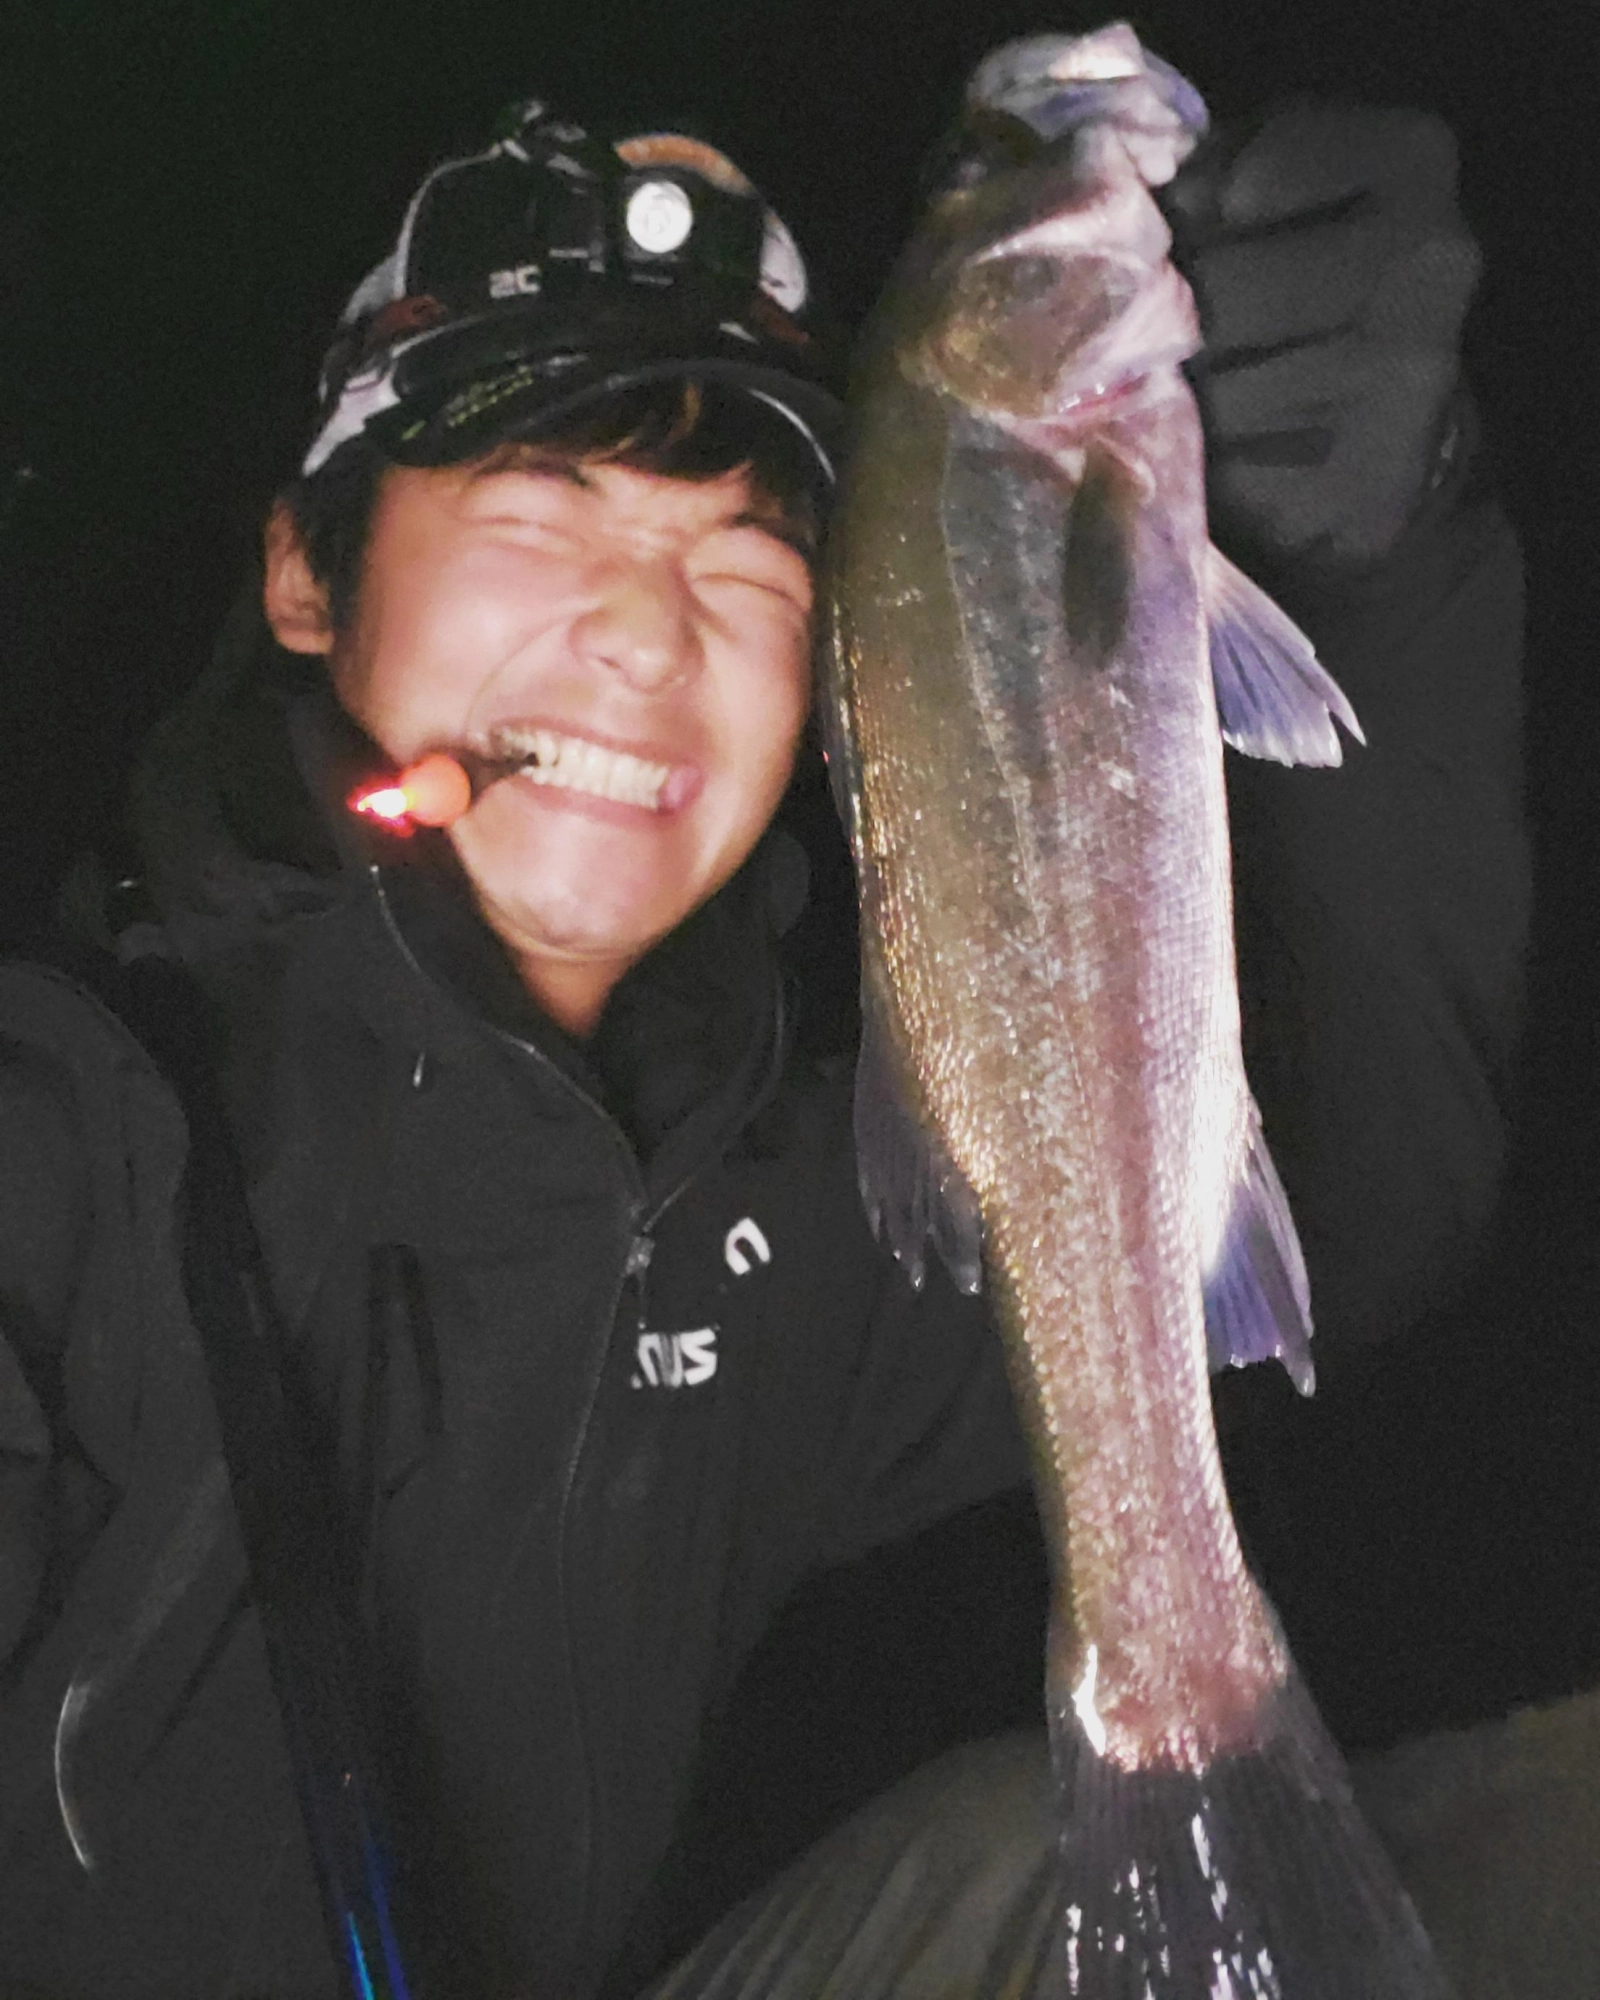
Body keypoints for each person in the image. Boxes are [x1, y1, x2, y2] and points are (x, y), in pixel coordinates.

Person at [0, 75, 1526, 2000]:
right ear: (306, 572)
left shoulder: (752, 1222)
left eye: (749, 560)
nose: (651, 634)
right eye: (537, 506)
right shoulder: (61, 1150)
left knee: (1096, 1853)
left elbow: (1373, 1193)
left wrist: (1385, 554)